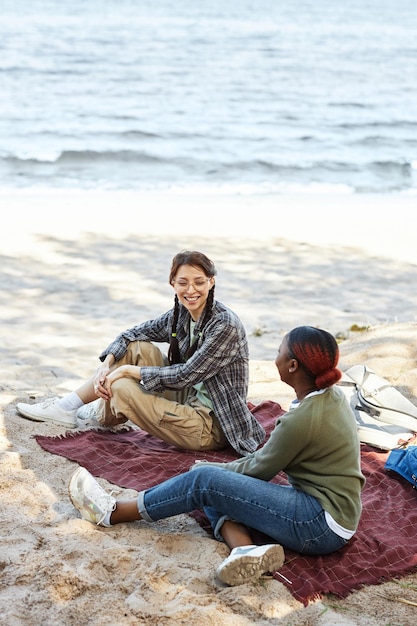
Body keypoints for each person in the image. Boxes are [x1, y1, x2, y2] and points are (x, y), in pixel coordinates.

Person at [68, 326, 365, 586]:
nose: (274, 356)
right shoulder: (330, 395)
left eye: (278, 351)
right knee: (216, 486)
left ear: (292, 366)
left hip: (319, 524)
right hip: (331, 513)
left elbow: (260, 468)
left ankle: (113, 512)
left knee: (206, 481)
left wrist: (207, 471)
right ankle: (244, 550)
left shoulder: (301, 420)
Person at [16, 250, 265, 456]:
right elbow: (131, 334)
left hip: (211, 423)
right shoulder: (180, 315)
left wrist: (125, 371)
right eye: (183, 282)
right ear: (172, 284)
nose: (191, 290)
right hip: (185, 397)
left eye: (199, 282)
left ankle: (97, 410)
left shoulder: (224, 325)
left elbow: (185, 375)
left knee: (123, 387)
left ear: (211, 282)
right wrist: (108, 363)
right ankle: (69, 407)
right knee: (137, 348)